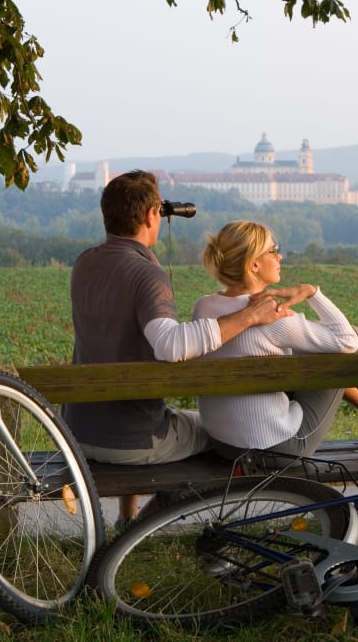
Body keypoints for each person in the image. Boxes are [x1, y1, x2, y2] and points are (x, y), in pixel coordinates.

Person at [63, 172, 291, 519]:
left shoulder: (85, 263)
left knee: (179, 420)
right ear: (154, 214)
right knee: (223, 433)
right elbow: (170, 346)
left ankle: (129, 517)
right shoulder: (146, 274)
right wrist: (248, 317)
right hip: (133, 441)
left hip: (79, 431)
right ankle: (147, 523)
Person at [193, 220, 358, 460]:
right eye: (273, 250)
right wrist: (312, 292)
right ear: (254, 264)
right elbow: (348, 341)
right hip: (278, 447)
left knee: (321, 348)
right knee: (351, 342)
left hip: (224, 443)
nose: (280, 257)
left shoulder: (204, 306)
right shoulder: (274, 320)